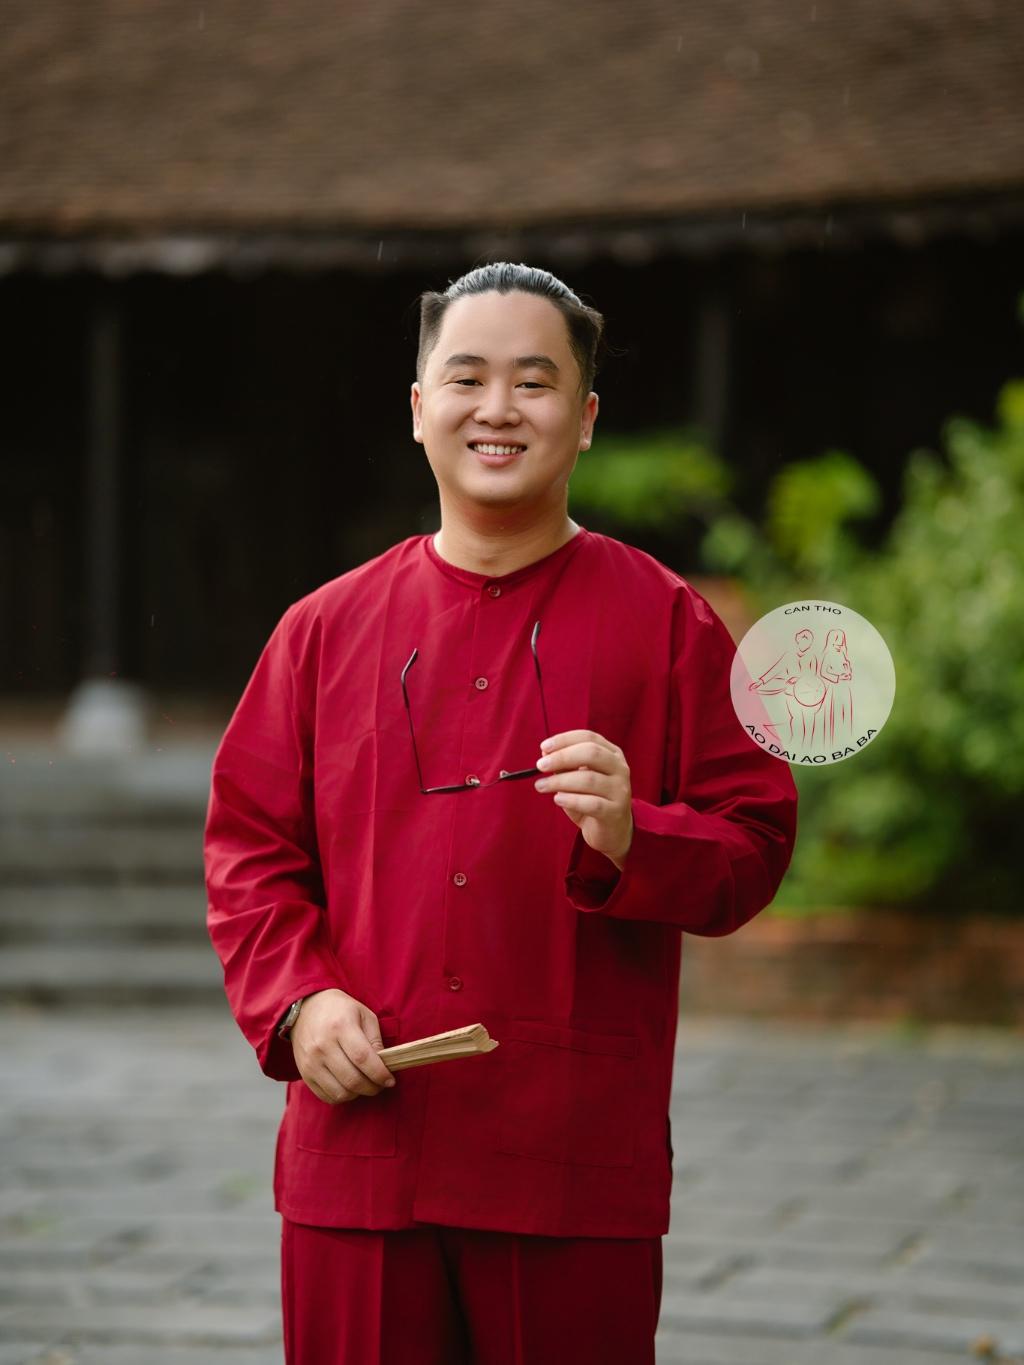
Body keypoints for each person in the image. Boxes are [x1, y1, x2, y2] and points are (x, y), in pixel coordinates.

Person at [204, 262, 798, 1365]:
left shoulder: (669, 622)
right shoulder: (321, 631)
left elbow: (755, 841)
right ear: (417, 407)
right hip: (364, 1144)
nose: (498, 408)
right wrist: (301, 1001)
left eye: (534, 382)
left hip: (570, 1152)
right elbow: (250, 851)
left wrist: (635, 834)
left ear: (586, 418)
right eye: (466, 377)